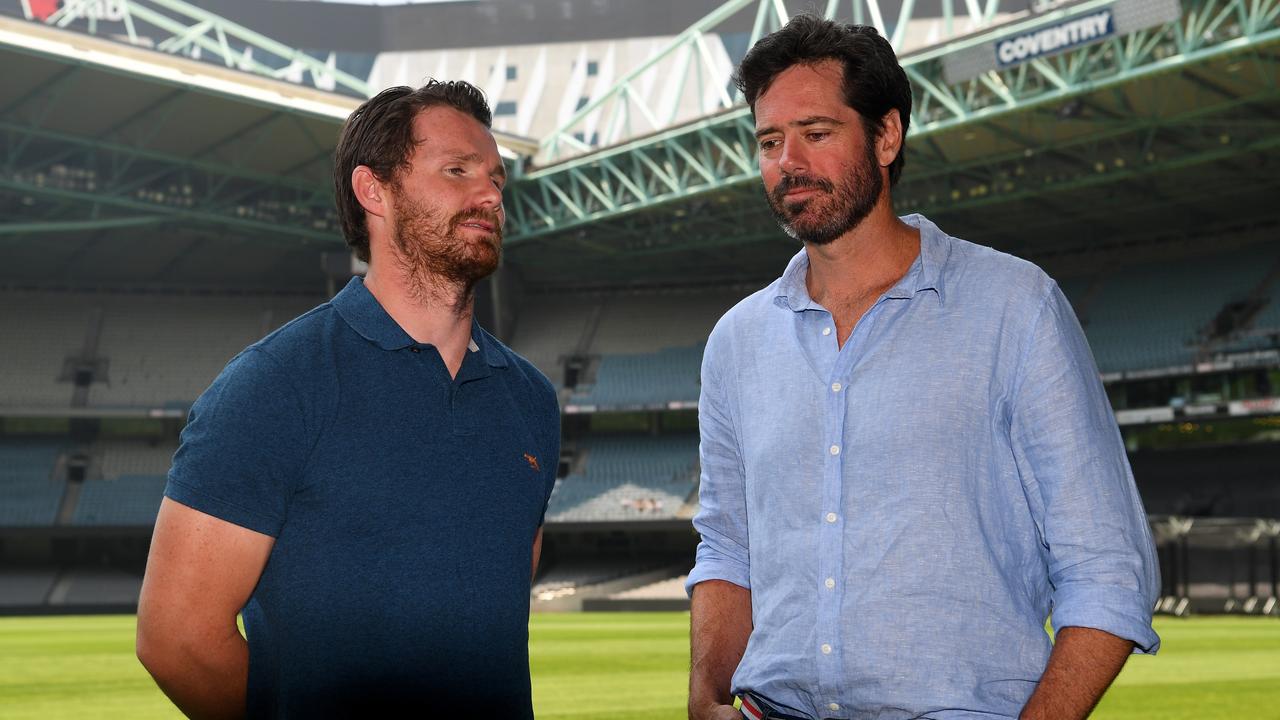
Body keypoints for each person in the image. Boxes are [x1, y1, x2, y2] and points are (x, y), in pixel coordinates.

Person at [686, 16, 1159, 720]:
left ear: (886, 136)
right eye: (769, 140)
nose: (788, 161)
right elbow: (728, 546)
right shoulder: (736, 340)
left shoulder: (1014, 307)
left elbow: (1109, 570)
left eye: (816, 134)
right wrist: (702, 699)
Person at [136, 81, 560, 719]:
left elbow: (497, 594)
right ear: (374, 190)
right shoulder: (273, 384)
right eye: (457, 171)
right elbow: (176, 639)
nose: (490, 195)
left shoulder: (531, 398)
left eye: (497, 179)